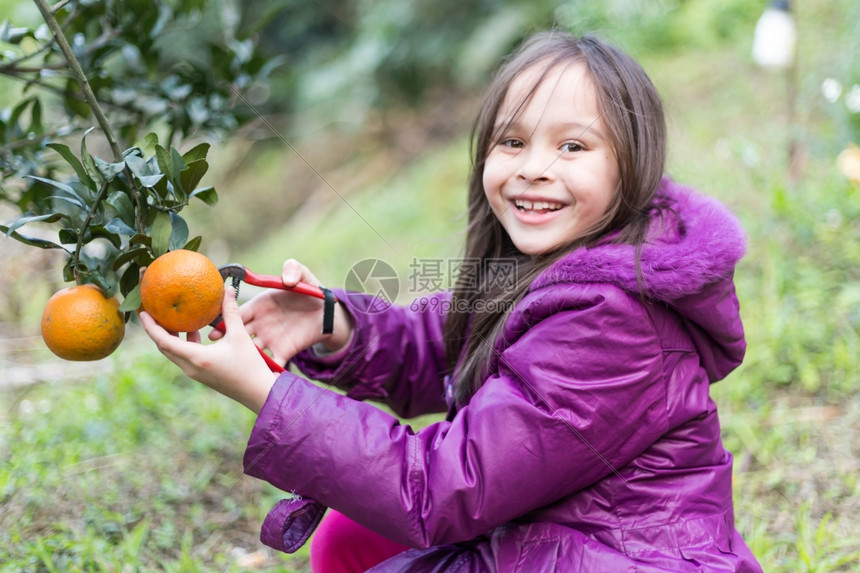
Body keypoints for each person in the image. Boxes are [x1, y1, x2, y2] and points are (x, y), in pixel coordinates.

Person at [142, 31, 763, 572]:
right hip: (560, 529)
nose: (534, 168)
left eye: (572, 147)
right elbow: (439, 343)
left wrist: (265, 392)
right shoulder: (550, 265)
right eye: (512, 142)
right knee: (355, 535)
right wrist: (334, 323)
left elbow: (443, 488)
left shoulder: (614, 320)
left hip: (623, 555)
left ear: (633, 162)